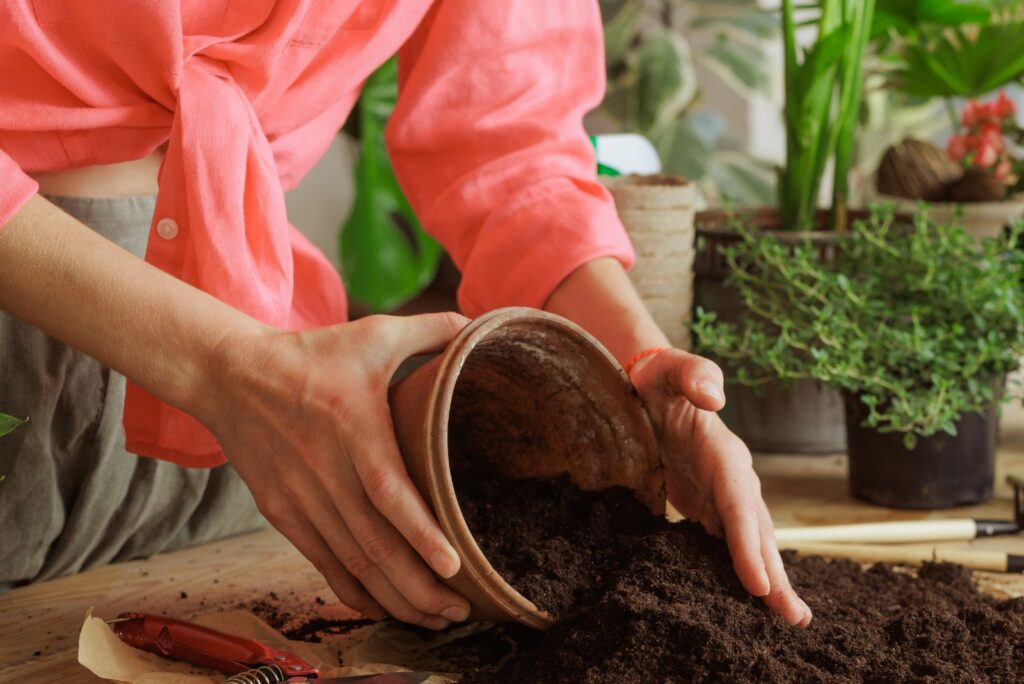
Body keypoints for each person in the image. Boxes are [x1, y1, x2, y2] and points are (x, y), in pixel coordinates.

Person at [0, 1, 811, 631]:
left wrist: (637, 369)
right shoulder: (255, 387)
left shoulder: (290, 415)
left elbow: (508, 130)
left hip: (261, 371)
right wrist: (220, 366)